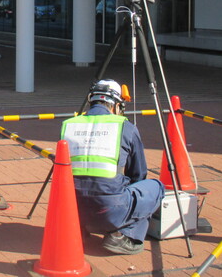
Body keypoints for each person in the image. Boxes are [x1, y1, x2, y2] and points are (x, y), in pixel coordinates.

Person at [61, 79, 164, 255]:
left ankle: (80, 230)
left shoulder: (69, 125)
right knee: (155, 187)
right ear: (116, 105)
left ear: (90, 100)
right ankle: (122, 235)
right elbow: (139, 174)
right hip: (109, 210)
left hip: (72, 209)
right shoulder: (124, 126)